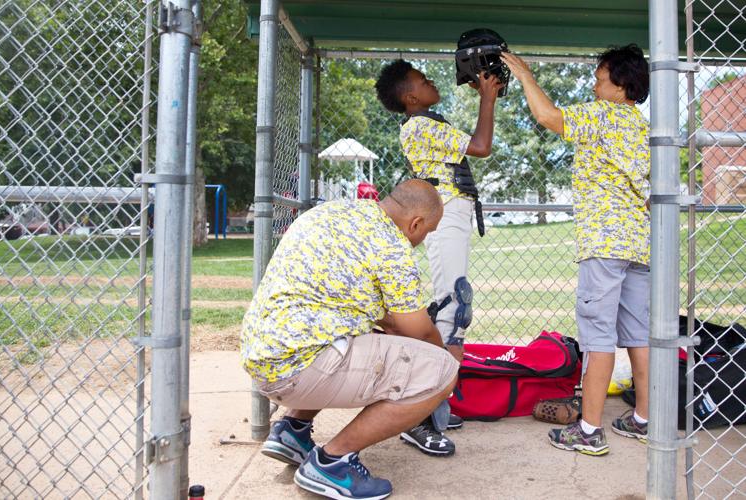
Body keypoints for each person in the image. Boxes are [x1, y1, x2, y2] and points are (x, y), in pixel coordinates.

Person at [241, 179, 458, 500]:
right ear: (416, 223)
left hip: (263, 356)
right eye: (428, 231)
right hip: (298, 369)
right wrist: (448, 366)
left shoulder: (331, 212)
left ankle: (293, 431)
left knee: (364, 330)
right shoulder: (392, 248)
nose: (424, 239)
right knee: (441, 371)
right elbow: (419, 334)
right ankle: (332, 462)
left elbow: (367, 312)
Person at [501, 44, 651, 456]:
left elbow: (549, 117)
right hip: (637, 242)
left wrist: (527, 77)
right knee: (639, 333)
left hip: (603, 243)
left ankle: (588, 430)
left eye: (601, 79)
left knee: (598, 336)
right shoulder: (641, 126)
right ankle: (643, 419)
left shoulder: (601, 114)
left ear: (622, 86)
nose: (594, 84)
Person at [374, 59, 502, 456]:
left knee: (453, 305)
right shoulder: (420, 125)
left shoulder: (431, 121)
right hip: (444, 215)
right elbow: (481, 147)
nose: (431, 81)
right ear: (411, 97)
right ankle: (421, 416)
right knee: (452, 307)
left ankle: (436, 401)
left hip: (452, 214)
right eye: (423, 80)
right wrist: (487, 98)